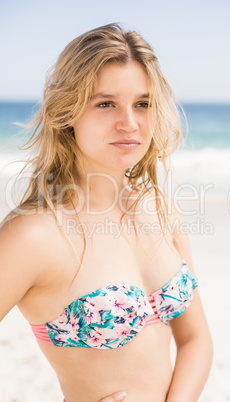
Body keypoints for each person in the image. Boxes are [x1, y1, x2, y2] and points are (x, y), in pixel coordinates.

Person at [0, 23, 213, 402]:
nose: (129, 123)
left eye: (142, 104)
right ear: (66, 112)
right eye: (105, 103)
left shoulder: (161, 211)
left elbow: (196, 340)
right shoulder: (32, 234)